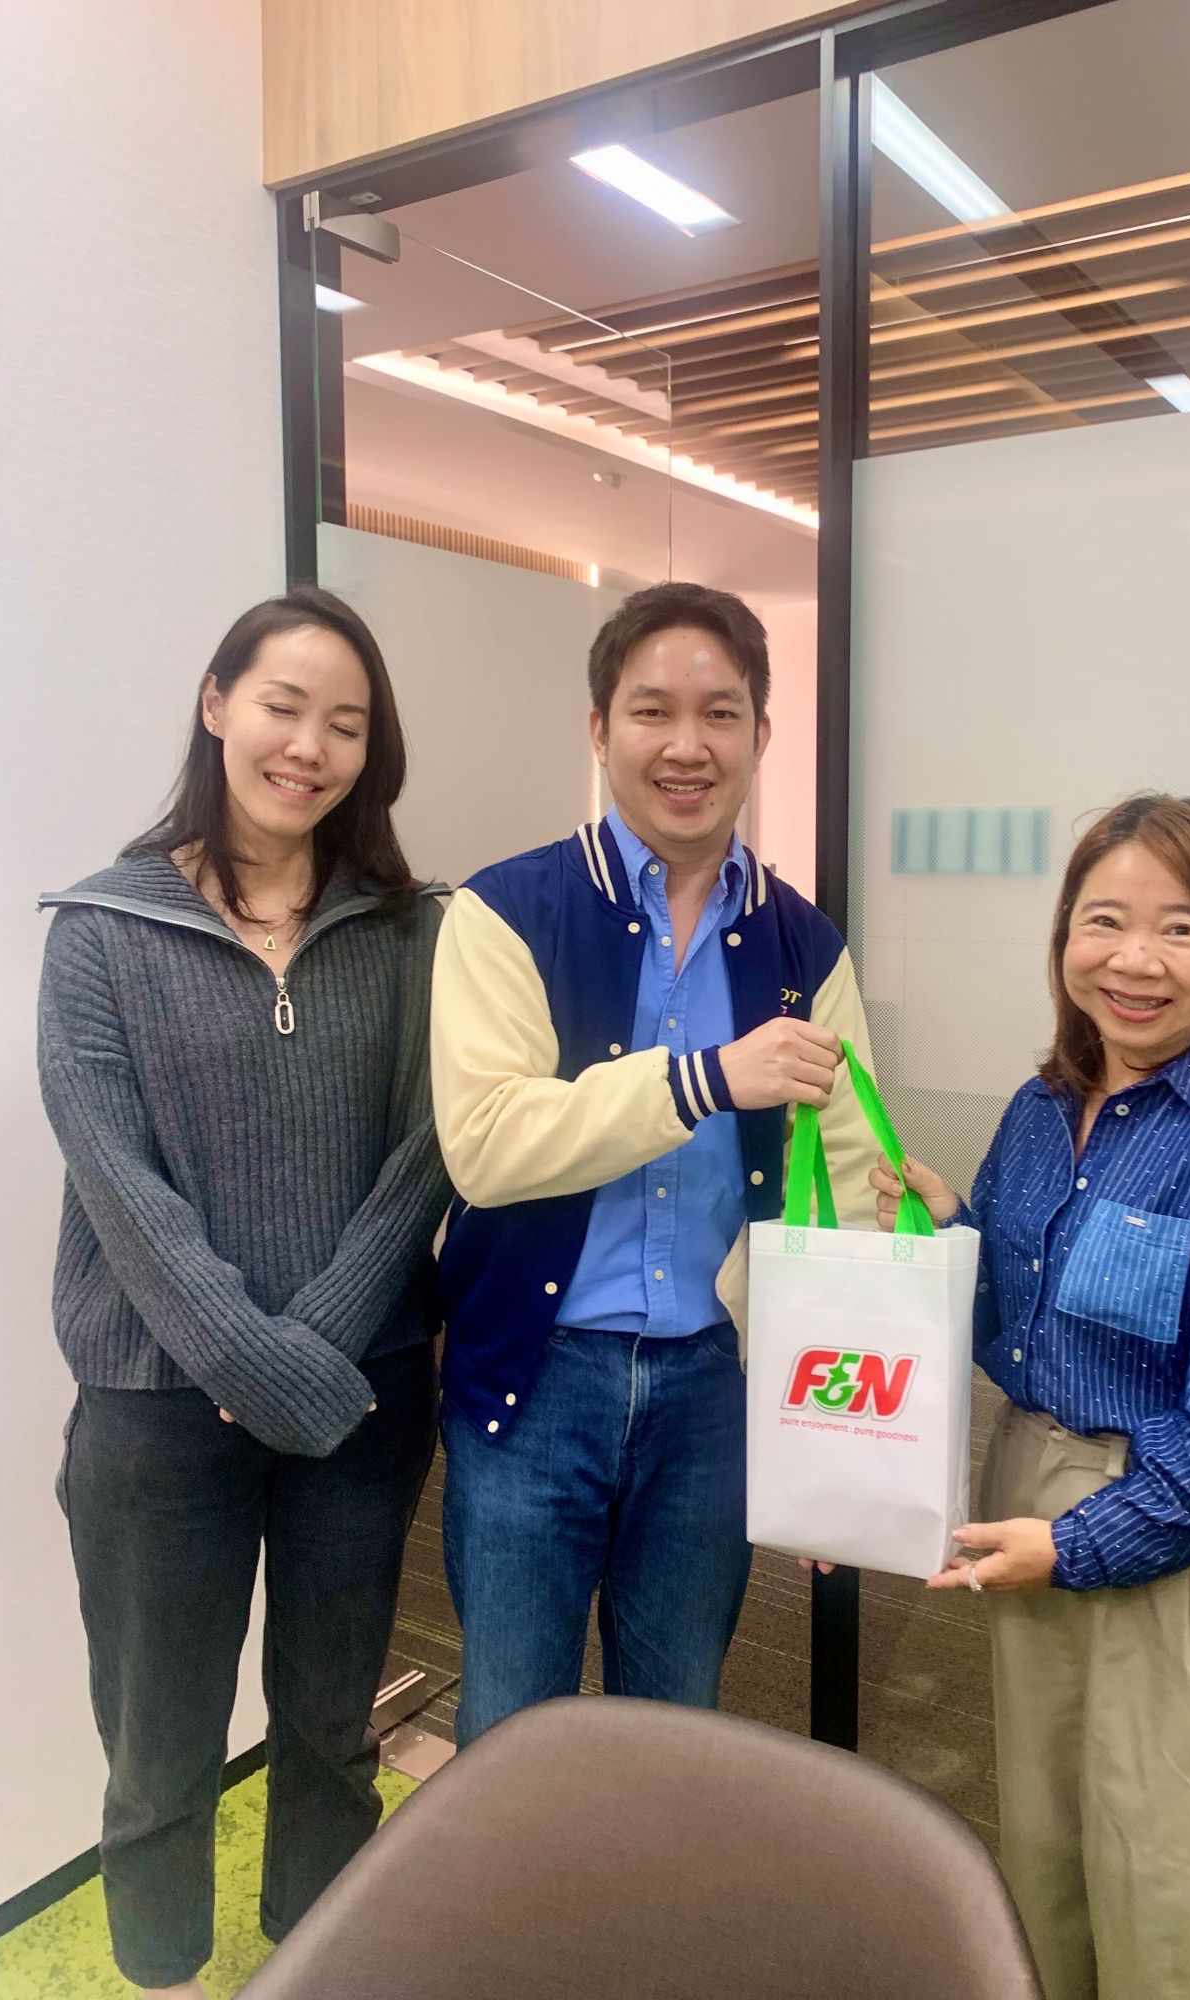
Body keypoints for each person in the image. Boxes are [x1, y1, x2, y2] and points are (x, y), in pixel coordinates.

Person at [38, 587, 451, 2000]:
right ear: (217, 703)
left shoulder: (414, 930)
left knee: (332, 1728)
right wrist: (245, 1358)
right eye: (283, 705)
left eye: (347, 723)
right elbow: (117, 1179)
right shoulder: (100, 927)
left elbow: (427, 1152)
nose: (308, 746)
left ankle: (319, 1961)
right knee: (157, 1747)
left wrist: (305, 1355)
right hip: (157, 1414)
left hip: (361, 1401)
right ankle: (161, 1971)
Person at [873, 793, 1190, 2000]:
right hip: (1034, 1494)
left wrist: (1075, 1543)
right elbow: (1021, 1330)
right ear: (1064, 939)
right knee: (1056, 1860)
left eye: (1181, 927)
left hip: (1186, 1532)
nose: (1135, 959)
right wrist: (950, 1235)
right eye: (1105, 920)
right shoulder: (1043, 1109)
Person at [431, 580, 879, 1742]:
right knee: (513, 1731)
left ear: (761, 734)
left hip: (710, 1388)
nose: (688, 745)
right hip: (536, 1379)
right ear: (600, 729)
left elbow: (845, 1188)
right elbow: (487, 1144)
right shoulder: (505, 910)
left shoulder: (803, 943)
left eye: (721, 713)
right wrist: (703, 1077)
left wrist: (833, 1443)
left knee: (677, 1729)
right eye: (652, 711)